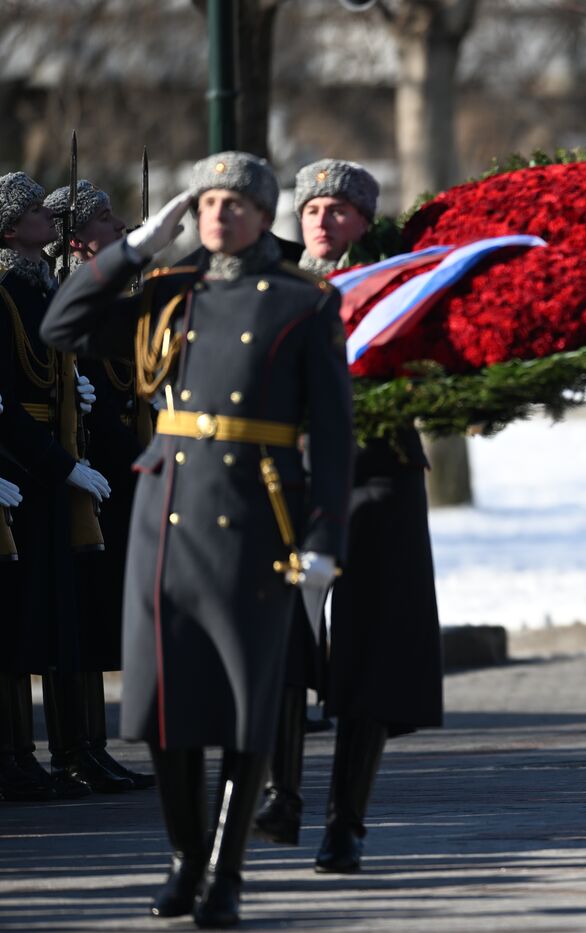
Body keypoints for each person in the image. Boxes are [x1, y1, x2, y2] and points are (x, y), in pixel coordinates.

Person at [42, 151, 353, 926]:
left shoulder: (301, 303)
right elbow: (63, 325)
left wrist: (323, 537)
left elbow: (335, 435)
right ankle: (184, 857)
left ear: (259, 214)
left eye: (234, 203)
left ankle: (226, 868)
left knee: (247, 701)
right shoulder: (166, 291)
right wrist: (134, 247)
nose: (217, 214)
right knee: (161, 704)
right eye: (206, 201)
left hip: (254, 513)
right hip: (167, 510)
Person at [253, 158, 444, 874]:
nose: (323, 221)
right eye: (311, 210)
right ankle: (282, 793)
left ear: (366, 219)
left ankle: (346, 822)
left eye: (339, 209)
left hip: (379, 472)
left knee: (371, 650)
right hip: (290, 479)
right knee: (281, 636)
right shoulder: (272, 288)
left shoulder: (402, 285)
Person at [0, 171, 113, 802]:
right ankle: (18, 757)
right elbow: (6, 402)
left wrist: (76, 394)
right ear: (13, 228)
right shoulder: (5, 292)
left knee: (58, 615)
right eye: (39, 214)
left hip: (48, 462)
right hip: (25, 468)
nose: (52, 221)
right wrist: (55, 465)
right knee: (19, 624)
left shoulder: (38, 287)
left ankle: (74, 749)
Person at [42, 179, 156, 793]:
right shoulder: (67, 296)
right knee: (76, 614)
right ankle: (72, 748)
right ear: (77, 239)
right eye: (104, 220)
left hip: (119, 467)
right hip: (89, 470)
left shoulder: (115, 294)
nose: (119, 227)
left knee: (94, 613)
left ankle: (92, 744)